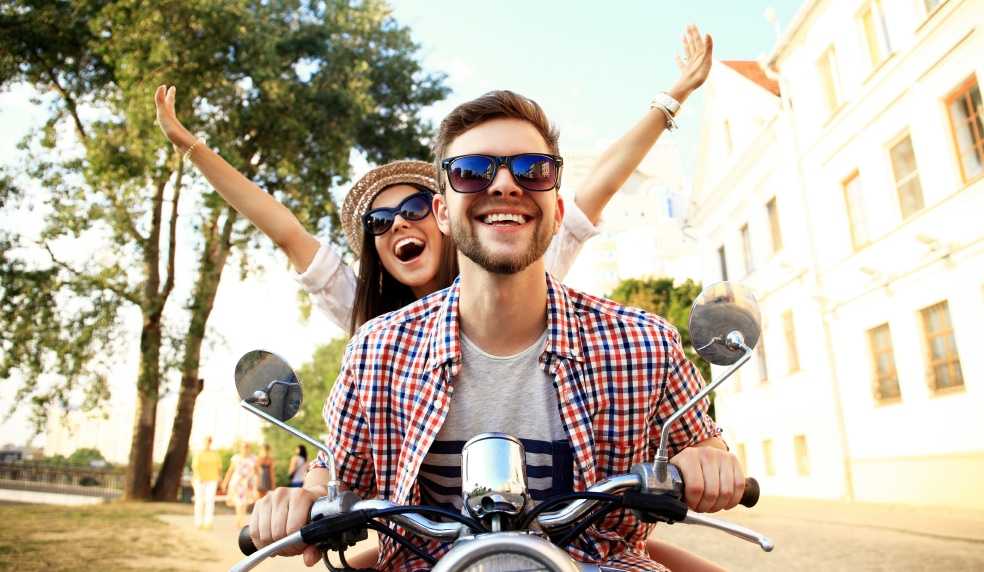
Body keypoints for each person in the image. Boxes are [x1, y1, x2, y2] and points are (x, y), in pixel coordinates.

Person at [250, 86, 745, 570]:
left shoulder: (643, 342)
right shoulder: (377, 350)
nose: (505, 184)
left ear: (558, 209)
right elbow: (336, 475)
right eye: (470, 172)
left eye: (533, 170)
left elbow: (701, 442)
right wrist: (303, 499)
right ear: (443, 211)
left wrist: (709, 461)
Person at [152, 24, 715, 335]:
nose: (399, 221)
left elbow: (598, 189)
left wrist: (672, 99)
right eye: (380, 220)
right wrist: (195, 150)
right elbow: (284, 230)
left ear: (447, 214)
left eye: (416, 206)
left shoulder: (514, 262)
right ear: (376, 246)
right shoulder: (371, 322)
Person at [221, 442, 260, 529]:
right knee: (238, 502)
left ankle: (241, 521)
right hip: (236, 484)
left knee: (244, 503)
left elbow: (257, 473)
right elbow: (230, 471)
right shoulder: (236, 458)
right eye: (243, 447)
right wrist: (225, 482)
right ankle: (238, 520)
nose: (245, 449)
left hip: (248, 484)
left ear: (250, 448)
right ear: (241, 448)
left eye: (247, 447)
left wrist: (256, 486)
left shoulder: (253, 458)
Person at [190, 435, 222, 530]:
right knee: (199, 501)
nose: (208, 443)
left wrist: (220, 479)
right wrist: (199, 477)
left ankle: (208, 522)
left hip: (212, 480)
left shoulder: (215, 454)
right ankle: (198, 522)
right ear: (204, 442)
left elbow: (219, 468)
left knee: (210, 501)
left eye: (209, 441)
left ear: (211, 442)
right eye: (207, 441)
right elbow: (195, 467)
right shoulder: (199, 453)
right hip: (199, 480)